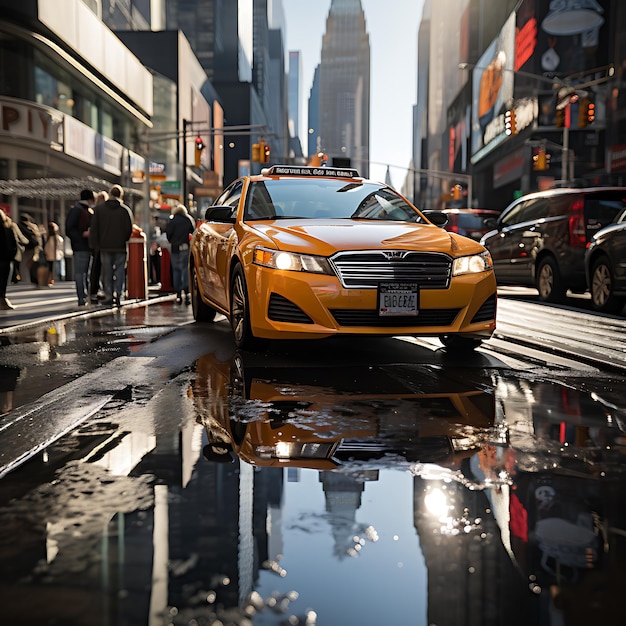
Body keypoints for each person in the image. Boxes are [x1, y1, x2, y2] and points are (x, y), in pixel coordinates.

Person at [89, 184, 133, 306]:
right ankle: (118, 294)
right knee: (119, 271)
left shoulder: (99, 210)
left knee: (107, 272)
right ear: (121, 195)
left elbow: (94, 229)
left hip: (104, 247)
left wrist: (96, 245)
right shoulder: (125, 210)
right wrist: (123, 239)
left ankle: (108, 295)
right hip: (120, 247)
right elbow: (128, 229)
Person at [66, 189, 95, 306]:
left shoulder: (80, 210)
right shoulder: (79, 210)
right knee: (81, 273)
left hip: (84, 246)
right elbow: (69, 228)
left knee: (84, 273)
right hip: (81, 246)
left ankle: (84, 296)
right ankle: (81, 297)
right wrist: (82, 236)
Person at [166, 203, 195, 304]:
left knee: (176, 270)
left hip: (175, 248)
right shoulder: (188, 219)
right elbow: (192, 231)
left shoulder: (172, 220)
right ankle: (186, 292)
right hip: (185, 247)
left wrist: (172, 241)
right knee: (184, 270)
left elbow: (168, 234)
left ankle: (178, 293)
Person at [0, 210, 27, 310]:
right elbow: (13, 245)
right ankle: (2, 301)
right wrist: (11, 257)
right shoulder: (8, 230)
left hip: (5, 258)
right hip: (5, 260)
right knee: (3, 282)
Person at [89, 190, 108, 303]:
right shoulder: (105, 212)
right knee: (106, 268)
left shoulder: (95, 212)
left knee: (96, 269)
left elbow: (93, 230)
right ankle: (106, 290)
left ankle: (94, 290)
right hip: (106, 244)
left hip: (98, 245)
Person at [17, 213, 43, 285]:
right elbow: (38, 240)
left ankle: (25, 281)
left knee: (24, 265)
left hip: (26, 249)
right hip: (34, 249)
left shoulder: (20, 226)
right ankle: (31, 280)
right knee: (30, 266)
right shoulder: (33, 227)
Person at [43, 221, 64, 286]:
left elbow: (46, 248)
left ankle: (50, 280)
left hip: (50, 256)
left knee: (50, 268)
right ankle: (53, 279)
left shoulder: (47, 238)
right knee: (54, 268)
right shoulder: (57, 238)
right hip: (56, 256)